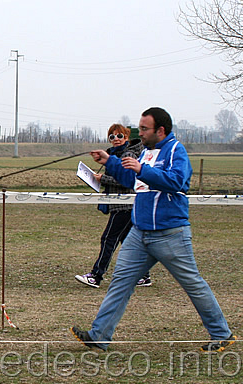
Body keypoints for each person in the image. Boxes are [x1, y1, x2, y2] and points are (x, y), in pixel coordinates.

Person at [71, 107, 236, 353]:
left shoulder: (175, 151)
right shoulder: (147, 152)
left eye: (145, 129)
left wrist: (142, 170)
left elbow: (176, 181)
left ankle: (222, 334)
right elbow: (132, 181)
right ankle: (99, 335)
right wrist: (110, 162)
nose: (141, 132)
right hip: (140, 233)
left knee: (192, 284)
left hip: (170, 233)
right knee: (120, 282)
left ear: (161, 130)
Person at [74, 124, 151, 289]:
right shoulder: (115, 155)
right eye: (112, 137)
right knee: (127, 241)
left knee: (109, 239)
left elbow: (129, 180)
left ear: (127, 137)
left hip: (124, 204)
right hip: (120, 204)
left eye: (119, 136)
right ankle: (144, 275)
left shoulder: (128, 155)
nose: (116, 139)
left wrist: (103, 179)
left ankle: (96, 275)